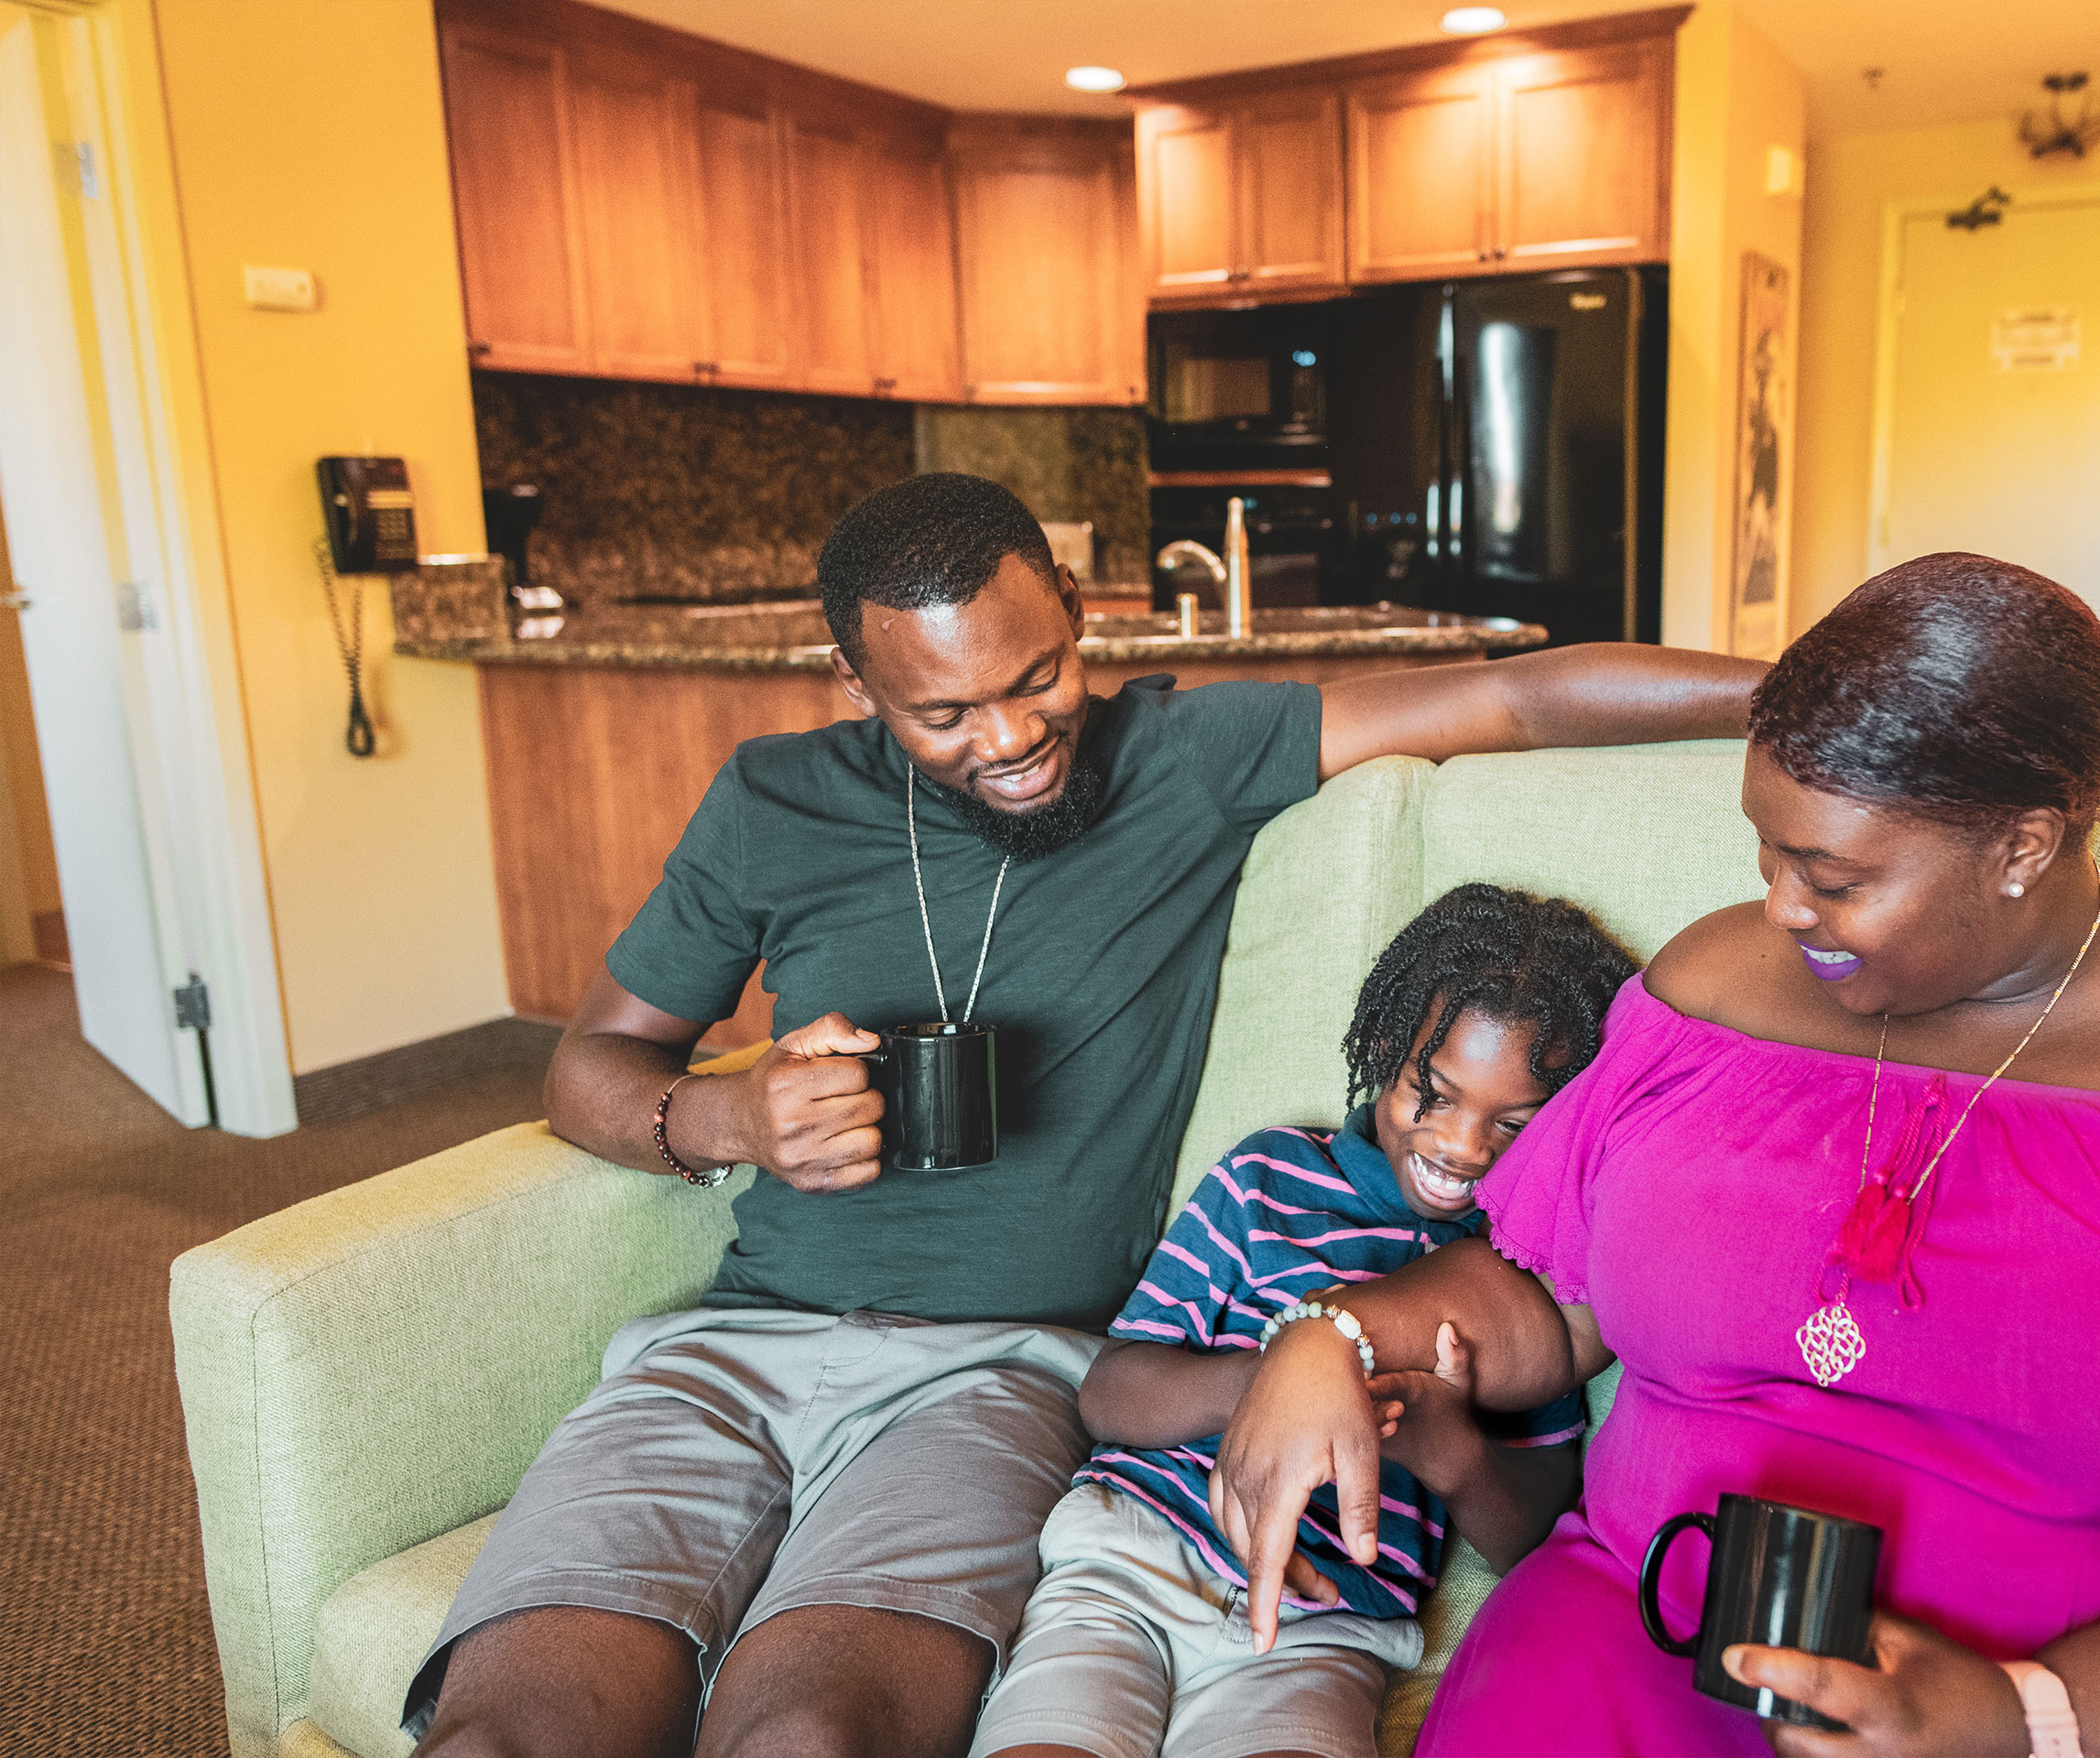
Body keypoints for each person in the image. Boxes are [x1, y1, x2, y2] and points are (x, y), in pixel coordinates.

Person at [405, 473, 1768, 1758]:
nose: (1009, 739)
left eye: (1036, 676)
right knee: (501, 1737)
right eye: (944, 715)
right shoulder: (772, 802)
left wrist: (1803, 703)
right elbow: (589, 1064)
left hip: (1000, 1375)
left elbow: (1514, 702)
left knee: (807, 1735)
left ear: (1073, 602)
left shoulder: (1186, 758)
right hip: (727, 1352)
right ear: (856, 682)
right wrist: (729, 1121)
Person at [1207, 553, 2100, 1758]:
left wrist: (2027, 1719)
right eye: (1767, 850)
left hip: (2054, 1713)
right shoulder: (1709, 992)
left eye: (1839, 877)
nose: (1781, 903)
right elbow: (1544, 1297)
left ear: (2024, 846)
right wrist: (1329, 1330)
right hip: (1636, 1639)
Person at [972, 884, 1630, 1758]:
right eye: (1430, 1095)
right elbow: (1109, 1394)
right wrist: (1284, 1382)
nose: (1463, 1148)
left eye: (1512, 1125)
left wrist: (1447, 1444)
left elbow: (1534, 1538)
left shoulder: (1522, 1284)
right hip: (1134, 1557)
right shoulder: (1266, 1178)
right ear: (1387, 1051)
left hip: (1328, 1626)